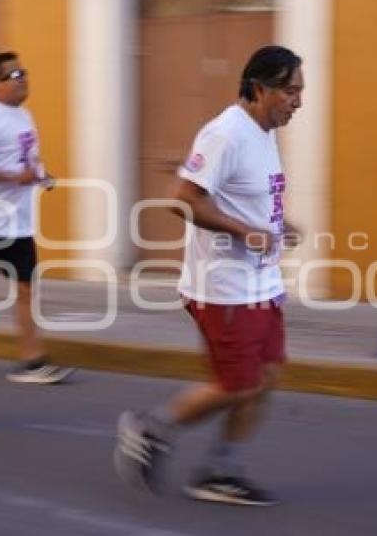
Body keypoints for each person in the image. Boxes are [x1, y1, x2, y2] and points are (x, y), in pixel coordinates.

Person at [115, 46, 304, 506]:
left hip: (261, 282)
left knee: (269, 375)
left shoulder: (263, 131)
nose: (298, 101)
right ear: (259, 89)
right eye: (291, 91)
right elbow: (182, 198)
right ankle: (148, 428)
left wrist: (277, 228)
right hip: (223, 288)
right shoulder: (226, 133)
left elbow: (246, 196)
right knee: (238, 384)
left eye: (301, 91)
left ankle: (222, 470)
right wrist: (246, 232)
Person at [0, 52, 73, 384]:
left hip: (21, 223)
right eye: (14, 76)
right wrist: (16, 178)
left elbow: (27, 159)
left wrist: (41, 175)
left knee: (26, 289)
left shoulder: (24, 115)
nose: (23, 79)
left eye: (23, 72)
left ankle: (32, 360)